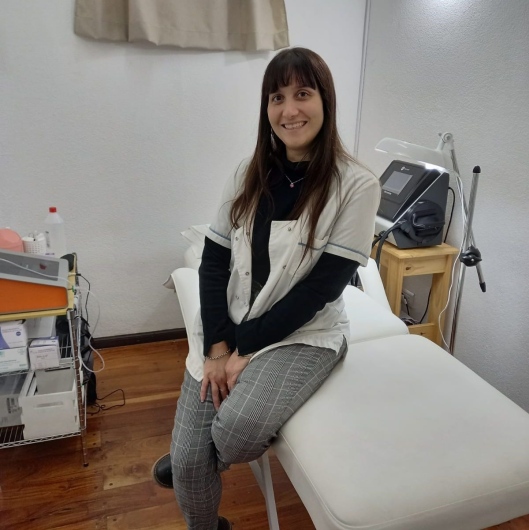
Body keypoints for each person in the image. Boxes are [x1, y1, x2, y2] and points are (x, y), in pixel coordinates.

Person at [153, 47, 380, 530]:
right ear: (267, 108)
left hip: (304, 333)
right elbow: (214, 261)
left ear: (325, 100)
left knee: (235, 433)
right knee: (188, 462)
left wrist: (245, 348)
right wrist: (218, 346)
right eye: (277, 98)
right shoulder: (248, 172)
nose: (289, 110)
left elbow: (319, 289)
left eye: (303, 94)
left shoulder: (356, 185)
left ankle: (202, 463)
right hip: (232, 325)